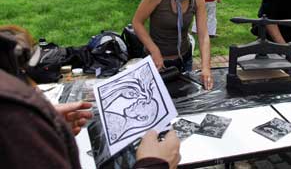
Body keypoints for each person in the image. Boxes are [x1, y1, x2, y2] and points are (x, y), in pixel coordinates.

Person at [0, 25, 181, 169]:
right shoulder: (13, 119)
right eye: (26, 87)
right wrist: (153, 165)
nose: (38, 92)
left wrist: (43, 123)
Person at [133, 0, 213, 90]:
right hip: (156, 63)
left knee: (184, 105)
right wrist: (154, 50)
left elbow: (203, 35)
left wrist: (205, 67)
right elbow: (137, 23)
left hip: (184, 60)